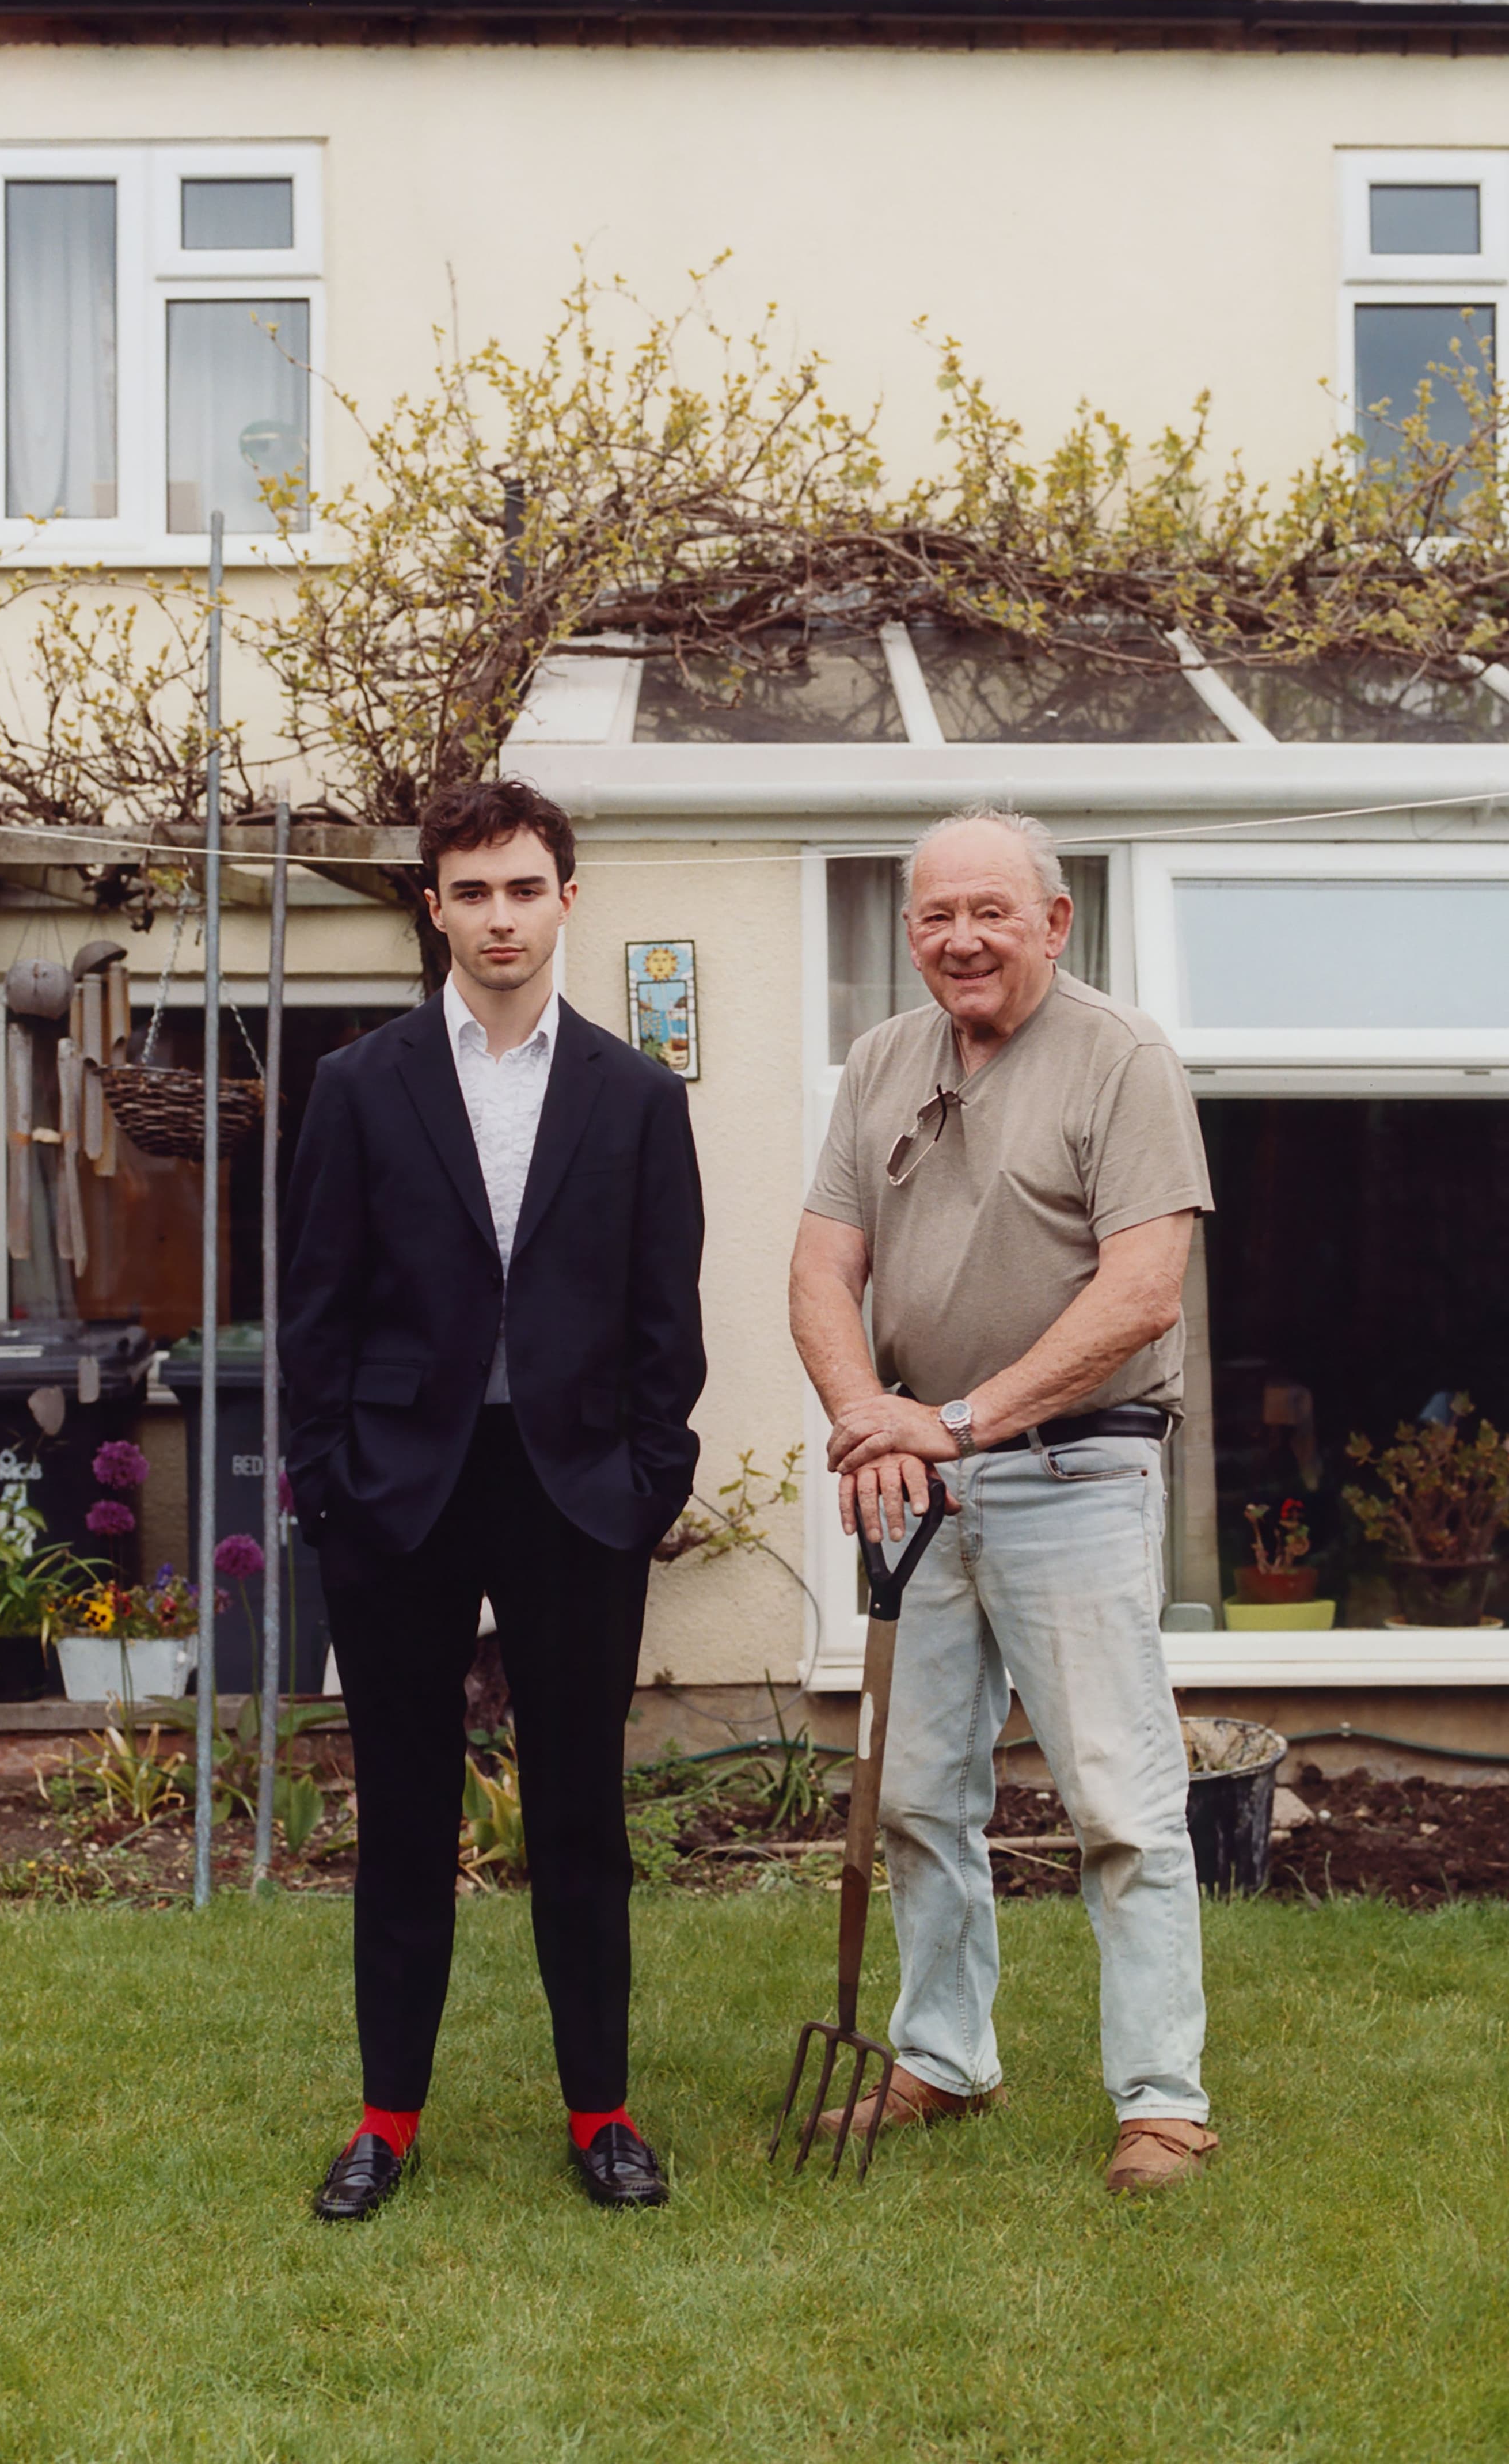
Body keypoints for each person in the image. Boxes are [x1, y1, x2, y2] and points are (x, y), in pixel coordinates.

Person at [282, 775, 706, 2221]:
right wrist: (325, 1486)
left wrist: (652, 1485)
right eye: (472, 891)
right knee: (403, 1816)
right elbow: (315, 1310)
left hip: (580, 1494)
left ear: (566, 900)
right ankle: (384, 2122)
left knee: (580, 1816)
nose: (500, 915)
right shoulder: (359, 1085)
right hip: (396, 1497)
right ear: (434, 907)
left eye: (525, 888)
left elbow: (669, 1320)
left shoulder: (638, 1097)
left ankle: (604, 2114)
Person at [788, 808, 1217, 2195]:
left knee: (1119, 1798)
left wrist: (960, 1420)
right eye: (933, 918)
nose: (960, 940)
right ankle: (945, 2056)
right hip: (917, 1480)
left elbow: (1142, 1292)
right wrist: (872, 1421)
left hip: (1076, 1468)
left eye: (989, 912)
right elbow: (819, 1271)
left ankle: (1161, 2098)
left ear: (1055, 920)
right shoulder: (880, 1062)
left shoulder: (1122, 1058)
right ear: (906, 930)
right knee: (917, 1792)